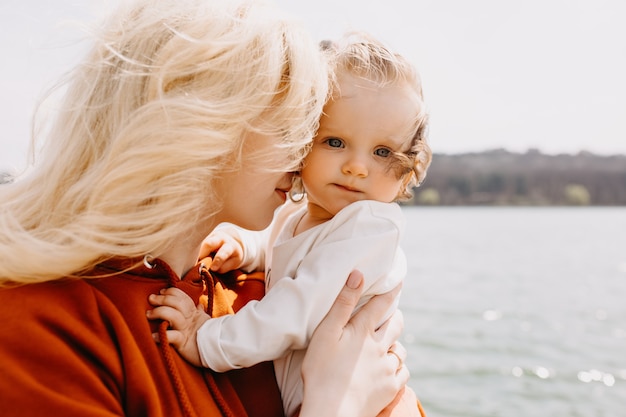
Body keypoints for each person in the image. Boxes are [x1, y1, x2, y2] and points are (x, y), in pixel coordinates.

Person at [0, 1, 412, 416]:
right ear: (205, 123)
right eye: (291, 126)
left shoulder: (251, 291)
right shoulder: (40, 324)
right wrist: (335, 406)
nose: (303, 155)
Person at [148, 32, 432, 416]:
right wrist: (248, 248)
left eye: (382, 152)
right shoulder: (301, 215)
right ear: (303, 141)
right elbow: (285, 246)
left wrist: (207, 338)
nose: (356, 166)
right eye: (334, 142)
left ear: (405, 171)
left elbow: (294, 310)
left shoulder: (370, 228)